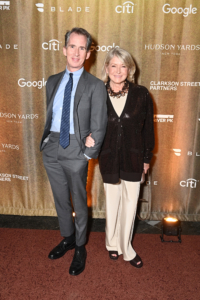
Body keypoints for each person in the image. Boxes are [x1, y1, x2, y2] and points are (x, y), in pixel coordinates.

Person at [40, 27, 107, 276]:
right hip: (52, 146)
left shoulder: (95, 85)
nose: (76, 52)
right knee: (60, 199)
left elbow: (99, 125)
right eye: (72, 46)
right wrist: (47, 142)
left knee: (79, 199)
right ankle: (67, 238)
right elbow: (52, 115)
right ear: (64, 49)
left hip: (77, 149)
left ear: (88, 53)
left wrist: (88, 154)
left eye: (82, 48)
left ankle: (80, 246)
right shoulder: (52, 81)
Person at [86, 47, 154, 267]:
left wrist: (146, 159)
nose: (118, 70)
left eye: (123, 65)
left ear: (130, 69)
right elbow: (88, 123)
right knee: (113, 202)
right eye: (113, 65)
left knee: (130, 203)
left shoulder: (141, 93)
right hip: (108, 157)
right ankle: (112, 243)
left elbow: (148, 130)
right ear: (106, 68)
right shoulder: (97, 92)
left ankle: (127, 247)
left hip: (134, 158)